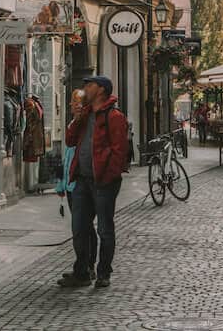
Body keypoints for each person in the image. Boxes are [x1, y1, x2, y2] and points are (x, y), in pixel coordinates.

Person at [57, 75, 128, 290]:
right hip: (82, 180)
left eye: (89, 85)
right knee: (79, 228)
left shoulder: (114, 117)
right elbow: (70, 141)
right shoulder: (85, 114)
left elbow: (119, 152)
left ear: (101, 90)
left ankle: (103, 272)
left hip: (103, 182)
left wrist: (107, 176)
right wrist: (76, 120)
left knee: (104, 229)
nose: (84, 89)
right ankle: (83, 271)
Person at [55, 90, 96, 278]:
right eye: (72, 101)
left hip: (80, 181)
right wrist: (62, 184)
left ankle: (88, 266)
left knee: (84, 226)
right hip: (72, 183)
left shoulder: (86, 124)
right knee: (81, 226)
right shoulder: (73, 123)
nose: (71, 105)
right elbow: (68, 156)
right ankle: (85, 266)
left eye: (75, 102)